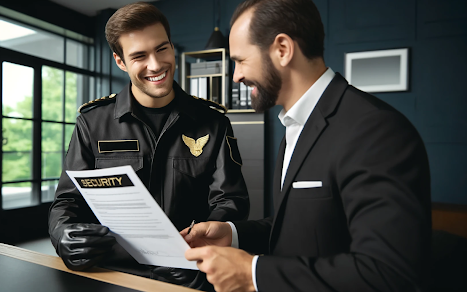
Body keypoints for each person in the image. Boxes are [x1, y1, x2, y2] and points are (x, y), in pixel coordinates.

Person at [183, 0, 431, 291]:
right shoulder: (294, 125)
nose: (236, 75)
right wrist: (233, 234)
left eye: (240, 60)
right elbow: (301, 227)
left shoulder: (377, 130)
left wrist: (253, 274)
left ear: (283, 50)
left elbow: (388, 273)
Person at [48, 2, 249, 291]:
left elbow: (231, 202)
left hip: (191, 276)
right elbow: (67, 201)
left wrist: (204, 253)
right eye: (139, 56)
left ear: (172, 47)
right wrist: (61, 233)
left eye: (162, 49)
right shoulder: (91, 123)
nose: (155, 65)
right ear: (120, 61)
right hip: (109, 275)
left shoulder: (213, 122)